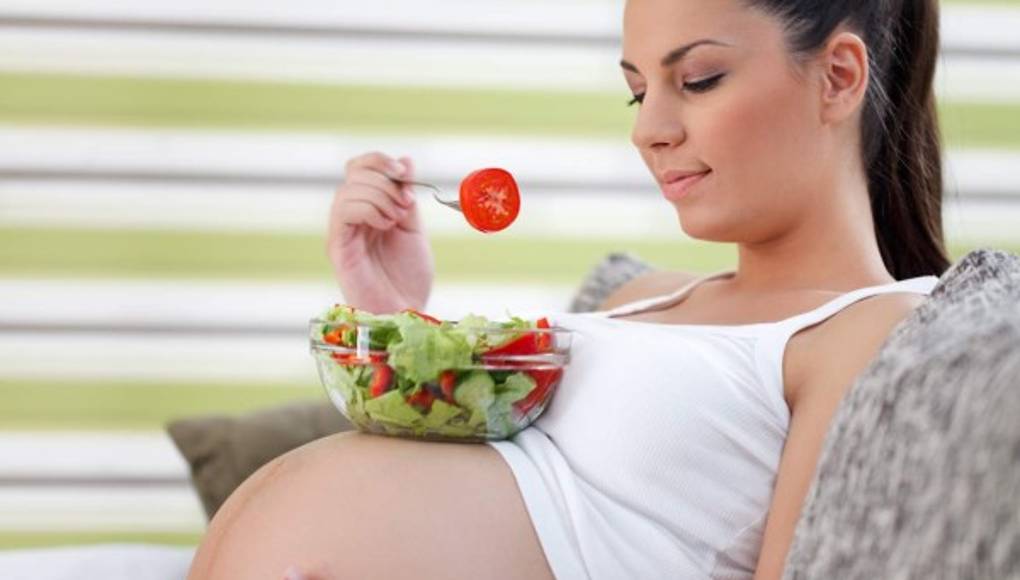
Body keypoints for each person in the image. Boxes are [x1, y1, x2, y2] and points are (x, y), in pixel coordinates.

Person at [186, 0, 949, 578]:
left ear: (839, 76)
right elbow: (515, 491)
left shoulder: (871, 330)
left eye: (698, 80)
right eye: (636, 91)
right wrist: (397, 311)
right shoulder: (641, 296)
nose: (648, 128)